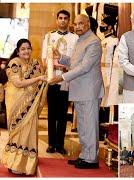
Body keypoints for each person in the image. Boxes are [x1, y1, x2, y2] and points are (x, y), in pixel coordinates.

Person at [50, 14, 104, 169]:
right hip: (80, 89)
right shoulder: (81, 40)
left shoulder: (93, 41)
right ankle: (84, 155)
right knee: (83, 125)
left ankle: (91, 159)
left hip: (89, 90)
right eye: (75, 24)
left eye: (81, 23)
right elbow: (75, 62)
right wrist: (60, 57)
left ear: (88, 24)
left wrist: (62, 78)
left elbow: (85, 67)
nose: (77, 26)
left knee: (89, 125)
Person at [1, 39, 47, 175]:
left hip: (30, 104)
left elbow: (44, 79)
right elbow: (18, 83)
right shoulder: (14, 63)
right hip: (16, 103)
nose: (26, 51)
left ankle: (25, 163)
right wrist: (38, 79)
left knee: (29, 130)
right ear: (18, 51)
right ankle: (14, 163)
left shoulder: (35, 64)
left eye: (28, 48)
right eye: (23, 49)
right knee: (18, 131)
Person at [41, 9, 78, 154]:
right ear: (57, 20)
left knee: (63, 114)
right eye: (60, 18)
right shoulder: (49, 36)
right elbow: (44, 59)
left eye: (65, 18)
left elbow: (76, 60)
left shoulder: (75, 38)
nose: (63, 20)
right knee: (52, 113)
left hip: (67, 81)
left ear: (69, 21)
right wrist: (56, 67)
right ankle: (51, 144)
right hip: (52, 79)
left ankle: (60, 144)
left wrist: (66, 70)